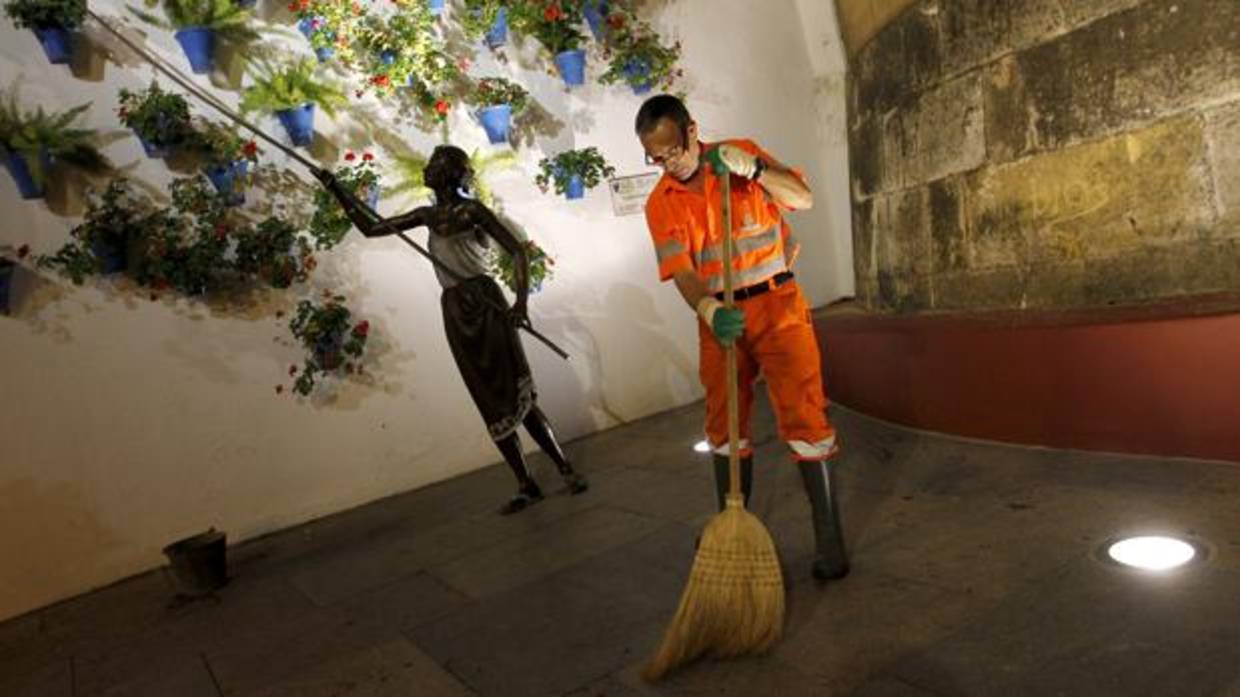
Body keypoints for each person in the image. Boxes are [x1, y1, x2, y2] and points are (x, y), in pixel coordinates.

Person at [635, 94, 848, 581]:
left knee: (804, 414)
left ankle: (829, 534)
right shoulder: (660, 204)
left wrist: (753, 170)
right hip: (722, 320)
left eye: (673, 150)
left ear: (692, 130)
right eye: (656, 158)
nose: (668, 164)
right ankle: (732, 524)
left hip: (778, 306)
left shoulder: (738, 154)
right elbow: (684, 272)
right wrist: (709, 309)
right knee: (723, 423)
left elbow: (802, 199)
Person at [313, 145, 588, 515]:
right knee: (489, 400)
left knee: (515, 391)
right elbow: (372, 227)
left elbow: (517, 251)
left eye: (437, 164)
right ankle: (525, 483)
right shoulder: (427, 215)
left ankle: (564, 467)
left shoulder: (472, 211)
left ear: (453, 172)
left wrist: (520, 303)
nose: (429, 169)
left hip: (485, 302)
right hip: (456, 309)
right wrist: (336, 188)